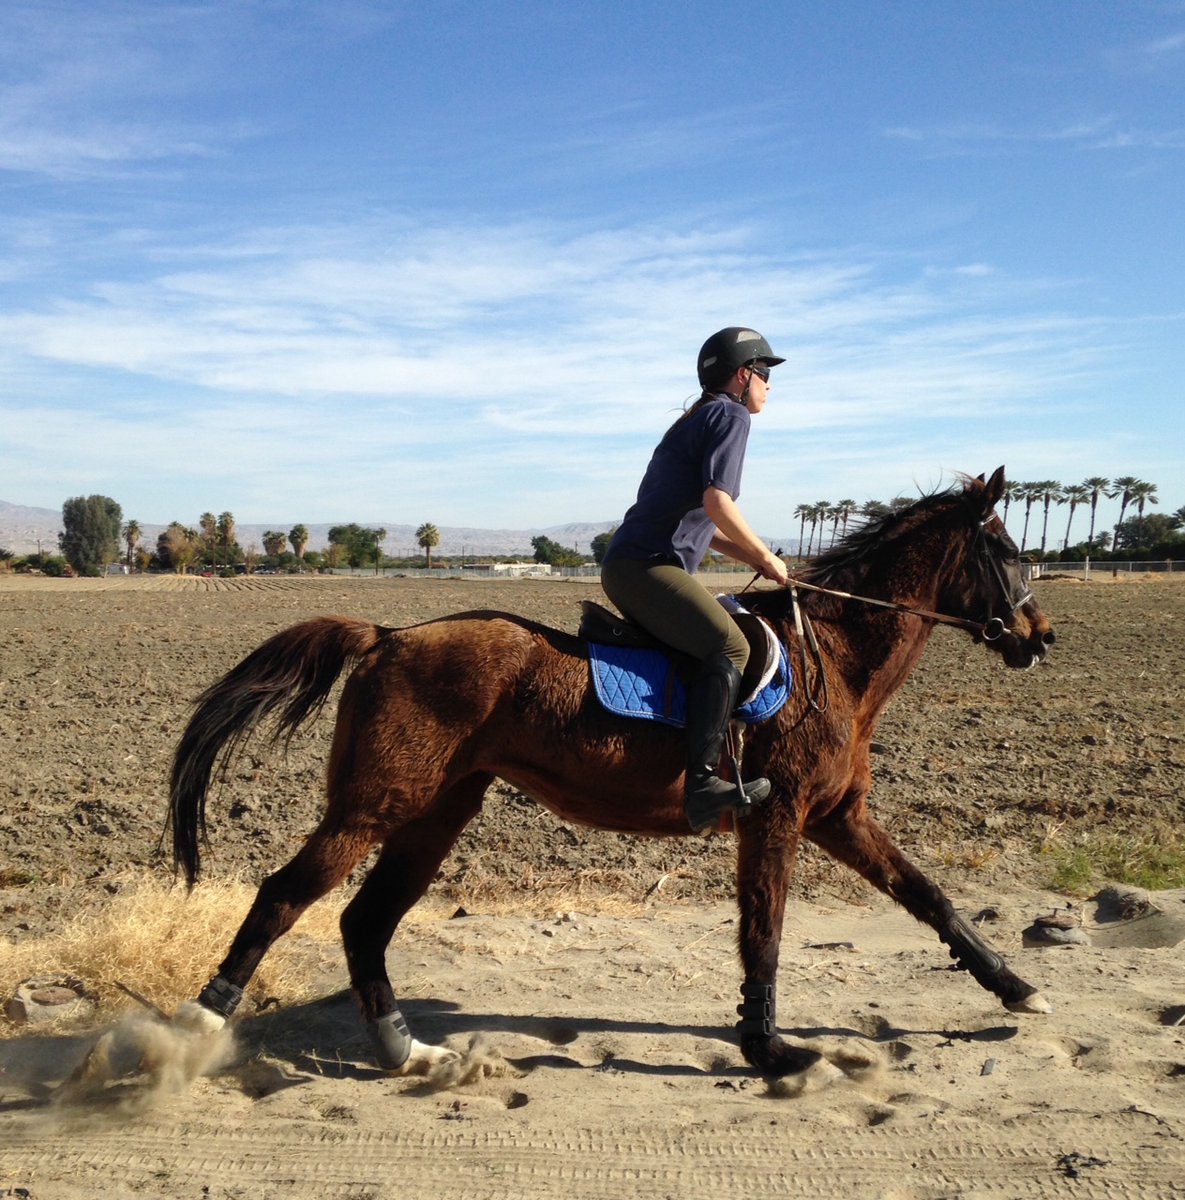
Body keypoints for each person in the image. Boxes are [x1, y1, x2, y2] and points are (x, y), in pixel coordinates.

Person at [601, 326, 789, 833]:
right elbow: (717, 504)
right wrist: (769, 560)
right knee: (731, 647)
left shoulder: (699, 416)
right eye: (765, 373)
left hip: (635, 563)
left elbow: (701, 527)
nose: (770, 385)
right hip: (648, 566)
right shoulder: (730, 415)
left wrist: (748, 555)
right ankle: (703, 784)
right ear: (742, 375)